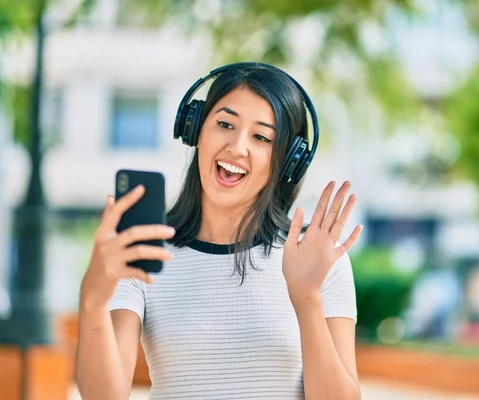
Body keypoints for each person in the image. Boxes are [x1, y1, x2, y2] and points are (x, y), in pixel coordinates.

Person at [75, 62, 363, 399]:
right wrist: (93, 298)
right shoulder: (145, 249)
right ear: (195, 129)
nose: (237, 147)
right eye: (225, 124)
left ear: (287, 160)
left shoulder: (316, 258)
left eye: (261, 137)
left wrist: (306, 297)